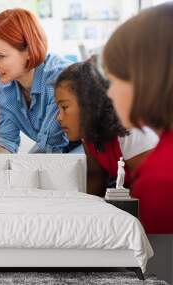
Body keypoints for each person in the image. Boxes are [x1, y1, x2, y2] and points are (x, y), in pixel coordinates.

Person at [103, 3, 173, 234]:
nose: (109, 93)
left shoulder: (160, 180)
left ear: (145, 81)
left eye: (113, 81)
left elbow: (160, 266)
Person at [55, 61, 158, 196]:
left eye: (64, 107)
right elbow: (95, 175)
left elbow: (149, 186)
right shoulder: (88, 134)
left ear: (89, 105)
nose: (59, 117)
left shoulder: (130, 131)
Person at [0, 8, 71, 154]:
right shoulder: (6, 89)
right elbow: (6, 140)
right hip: (53, 155)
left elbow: (52, 146)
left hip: (86, 154)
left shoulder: (58, 80)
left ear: (29, 51)